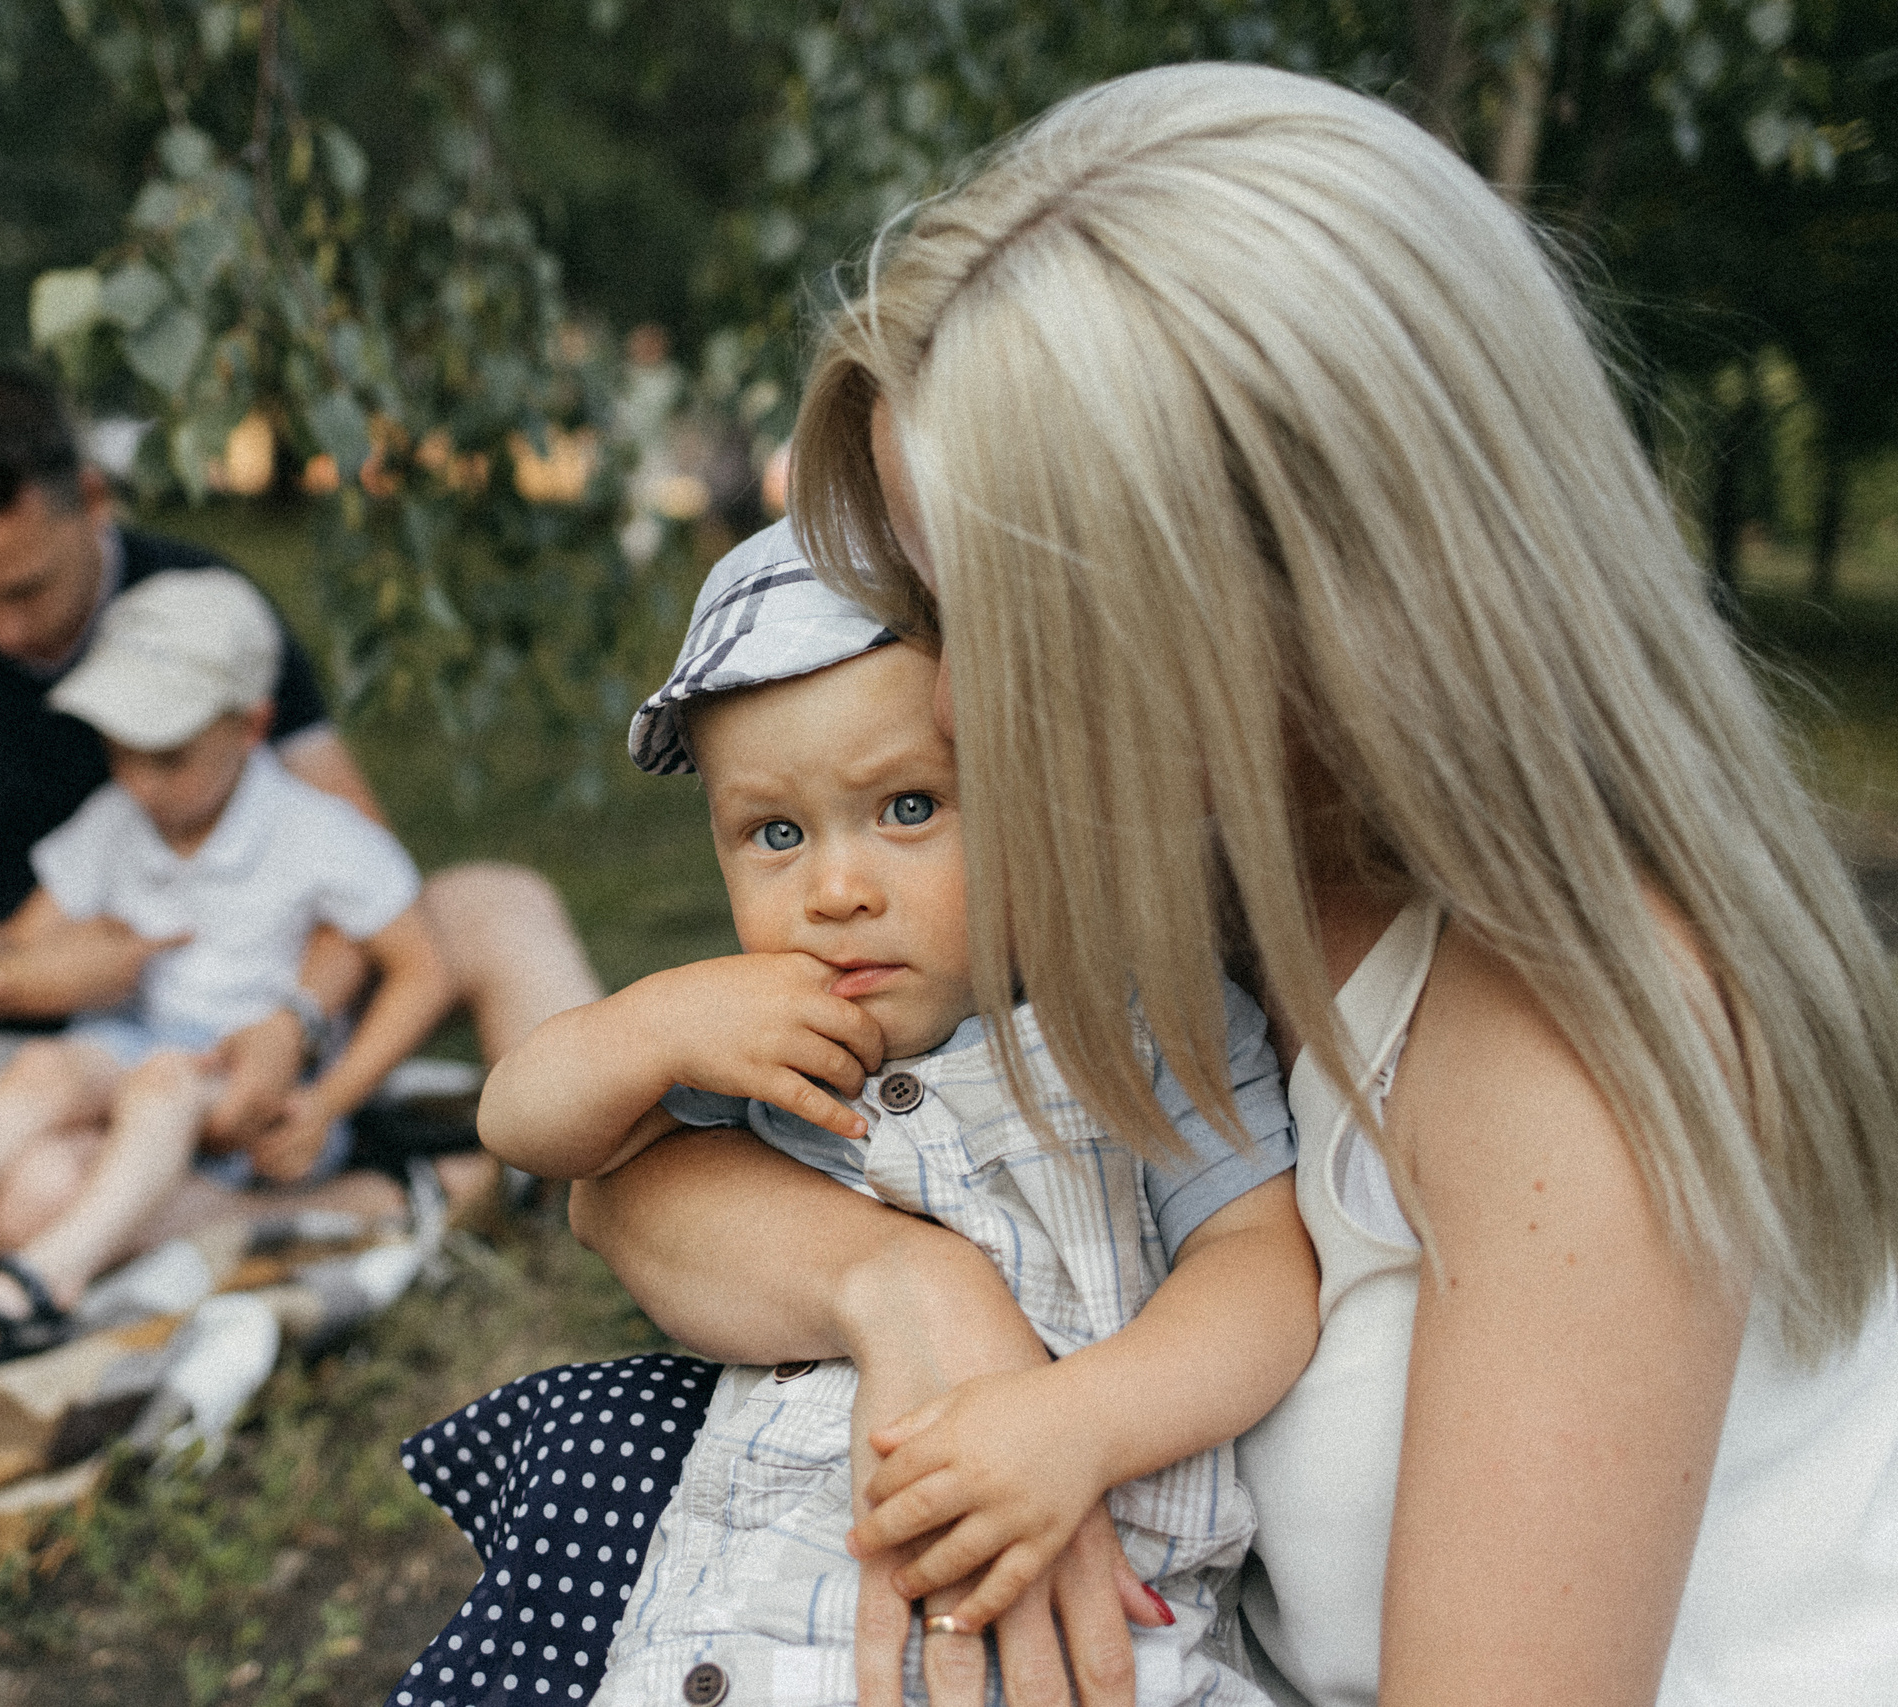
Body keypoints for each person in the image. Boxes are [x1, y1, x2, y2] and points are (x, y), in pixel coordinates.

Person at [408, 61, 1898, 1707]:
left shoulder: (1567, 1045)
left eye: (993, 613)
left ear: (1291, 599)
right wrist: (904, 1282)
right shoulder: (1177, 873)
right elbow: (620, 1184)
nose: (948, 703)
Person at [432, 527, 1314, 1707]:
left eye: (907, 806)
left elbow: (1257, 1267)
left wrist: (1080, 1422)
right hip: (748, 1626)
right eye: (775, 834)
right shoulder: (762, 1036)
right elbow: (524, 1125)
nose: (834, 890)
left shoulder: (1142, 1019)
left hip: (1089, 1631)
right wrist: (642, 1027)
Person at [0, 362, 599, 1205]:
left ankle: (616, 1178)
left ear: (91, 497)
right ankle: (384, 1201)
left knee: (502, 906)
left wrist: (293, 1020)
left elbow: (359, 862)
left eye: (26, 589)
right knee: (20, 1198)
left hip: (254, 991)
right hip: (47, 1040)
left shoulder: (201, 609)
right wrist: (3, 970)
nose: (4, 632)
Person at [0, 570, 455, 1366]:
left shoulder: (317, 834)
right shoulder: (118, 821)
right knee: (46, 1076)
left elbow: (422, 968)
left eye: (169, 756)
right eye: (120, 751)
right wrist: (8, 957)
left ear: (253, 725)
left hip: (246, 1092)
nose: (141, 780)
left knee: (159, 1083)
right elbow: (24, 950)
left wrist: (327, 1100)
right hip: (132, 1057)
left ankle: (42, 1282)